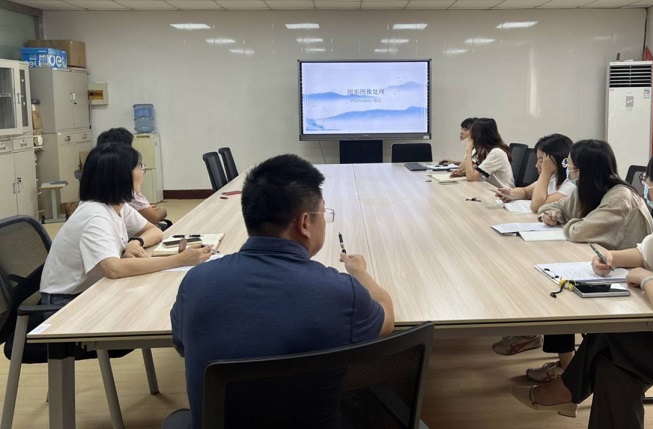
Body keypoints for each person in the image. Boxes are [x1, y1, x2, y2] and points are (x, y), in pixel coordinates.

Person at [513, 144, 653, 428]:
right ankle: (567, 391)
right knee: (614, 364)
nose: (646, 186)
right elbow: (646, 254)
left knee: (615, 333)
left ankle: (567, 390)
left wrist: (647, 279)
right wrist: (611, 258)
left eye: (650, 181)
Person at [171, 154, 395, 429]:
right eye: (323, 214)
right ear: (304, 223)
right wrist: (360, 273)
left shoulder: (196, 283)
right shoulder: (340, 293)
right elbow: (386, 318)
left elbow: (183, 345)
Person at [494, 140, 653, 382]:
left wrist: (565, 221)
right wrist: (554, 214)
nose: (569, 171)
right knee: (554, 281)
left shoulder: (619, 198)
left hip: (628, 276)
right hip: (604, 263)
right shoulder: (588, 189)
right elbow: (554, 208)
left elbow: (578, 231)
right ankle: (566, 363)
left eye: (572, 167)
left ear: (587, 170)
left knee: (557, 289)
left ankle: (568, 370)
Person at [40, 143, 211, 308]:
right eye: (139, 167)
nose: (142, 172)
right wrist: (179, 260)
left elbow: (154, 230)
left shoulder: (118, 205)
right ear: (120, 176)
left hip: (93, 288)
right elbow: (114, 268)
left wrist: (136, 242)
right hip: (65, 301)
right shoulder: (94, 216)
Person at [97, 127, 168, 225]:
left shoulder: (121, 204)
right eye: (138, 166)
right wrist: (162, 210)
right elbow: (154, 218)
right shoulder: (126, 194)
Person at [496, 133, 575, 213]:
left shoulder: (571, 185)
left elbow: (538, 207)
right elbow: (526, 192)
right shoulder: (554, 177)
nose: (536, 165)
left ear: (557, 160)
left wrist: (546, 172)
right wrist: (510, 194)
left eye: (542, 161)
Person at [451, 117, 514, 188]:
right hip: (491, 189)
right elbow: (476, 172)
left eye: (473, 133)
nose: (471, 137)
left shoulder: (496, 152)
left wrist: (468, 150)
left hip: (502, 192)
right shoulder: (485, 151)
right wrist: (463, 173)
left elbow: (471, 177)